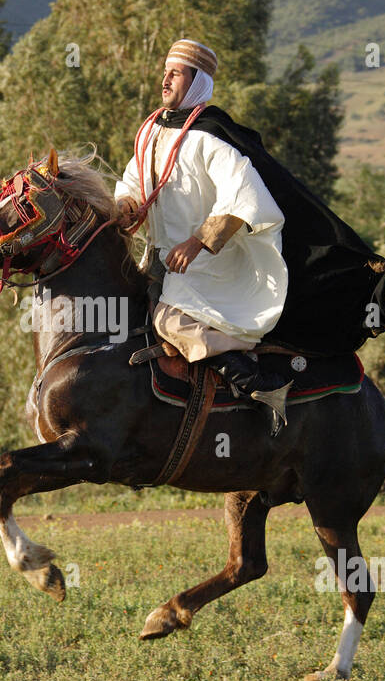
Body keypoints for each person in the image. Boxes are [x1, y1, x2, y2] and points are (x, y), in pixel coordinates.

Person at [113, 38, 292, 431]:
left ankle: (259, 384)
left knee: (169, 323)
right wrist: (126, 205)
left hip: (210, 264)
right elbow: (133, 182)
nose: (165, 80)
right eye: (165, 72)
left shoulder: (213, 136)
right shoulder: (152, 131)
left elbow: (243, 197)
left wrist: (197, 243)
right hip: (159, 258)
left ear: (196, 82)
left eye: (174, 73)